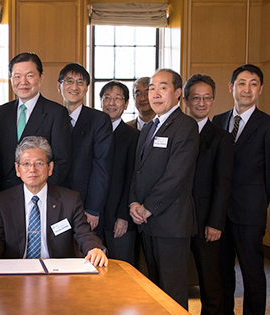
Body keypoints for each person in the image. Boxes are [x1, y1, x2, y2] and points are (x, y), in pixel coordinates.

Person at [0, 136, 107, 267]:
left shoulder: (70, 200)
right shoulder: (2, 201)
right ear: (17, 169)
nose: (32, 170)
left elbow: (84, 234)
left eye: (39, 163)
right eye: (26, 164)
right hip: (16, 271)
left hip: (57, 273)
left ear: (50, 168)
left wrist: (94, 248)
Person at [129, 68, 199, 309]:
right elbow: (137, 171)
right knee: (155, 288)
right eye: (151, 88)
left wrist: (148, 207)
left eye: (163, 87)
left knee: (173, 289)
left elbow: (176, 176)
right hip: (146, 223)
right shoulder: (148, 127)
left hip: (170, 223)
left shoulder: (186, 126)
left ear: (178, 93)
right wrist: (133, 203)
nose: (155, 93)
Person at [212, 64, 269, 315]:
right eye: (242, 83)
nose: (247, 89)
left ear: (261, 89)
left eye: (253, 83)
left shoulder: (267, 124)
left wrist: (259, 205)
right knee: (222, 272)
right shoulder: (218, 120)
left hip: (249, 213)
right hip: (219, 215)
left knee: (252, 273)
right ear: (231, 87)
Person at [183, 74, 233, 315]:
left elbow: (223, 184)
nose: (201, 103)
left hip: (206, 223)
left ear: (213, 101)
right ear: (185, 100)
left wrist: (215, 222)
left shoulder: (221, 137)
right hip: (176, 219)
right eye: (196, 98)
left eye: (207, 98)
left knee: (210, 283)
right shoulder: (177, 132)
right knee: (174, 280)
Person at [0, 52, 71, 191]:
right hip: (6, 196)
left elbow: (62, 161)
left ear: (41, 78)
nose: (23, 82)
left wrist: (40, 192)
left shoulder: (56, 113)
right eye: (17, 76)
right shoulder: (2, 112)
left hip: (41, 194)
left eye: (30, 76)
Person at [59, 63, 113, 233]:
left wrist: (93, 208)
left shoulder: (99, 120)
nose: (74, 87)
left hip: (85, 204)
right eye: (69, 81)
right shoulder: (51, 116)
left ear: (87, 88)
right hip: (55, 202)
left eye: (80, 82)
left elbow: (102, 167)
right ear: (59, 85)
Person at [99, 80, 139, 265]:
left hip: (119, 217)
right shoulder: (94, 132)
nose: (111, 103)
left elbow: (133, 178)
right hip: (94, 217)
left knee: (122, 270)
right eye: (107, 98)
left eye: (117, 98)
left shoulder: (133, 136)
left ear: (126, 104)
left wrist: (123, 216)